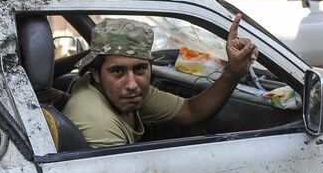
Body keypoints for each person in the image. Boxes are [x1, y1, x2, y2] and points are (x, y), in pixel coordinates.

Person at [62, 15, 257, 148]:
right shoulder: (99, 125)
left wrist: (232, 73)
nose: (132, 84)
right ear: (96, 74)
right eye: (117, 71)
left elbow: (190, 111)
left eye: (139, 69)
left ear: (150, 66)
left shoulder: (121, 91)